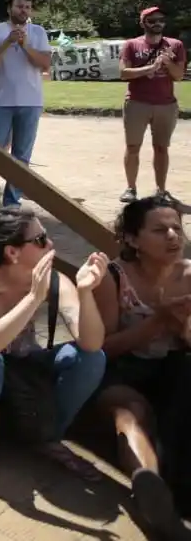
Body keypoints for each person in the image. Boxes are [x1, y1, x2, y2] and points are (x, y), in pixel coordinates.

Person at [0, 209, 108, 481]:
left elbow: (92, 343)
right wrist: (33, 298)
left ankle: (50, 437)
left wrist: (85, 292)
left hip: (21, 366)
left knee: (92, 358)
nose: (52, 244)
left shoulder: (54, 279)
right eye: (41, 239)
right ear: (12, 252)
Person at [93, 195, 191, 534]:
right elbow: (104, 348)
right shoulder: (113, 276)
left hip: (173, 367)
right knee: (129, 412)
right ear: (133, 239)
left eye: (177, 228)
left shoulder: (189, 275)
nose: (173, 237)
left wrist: (182, 328)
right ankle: (149, 485)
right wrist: (157, 321)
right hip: (122, 369)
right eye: (160, 230)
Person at [0, 0, 51, 208]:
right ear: (10, 8)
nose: (24, 11)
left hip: (30, 101)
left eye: (28, 7)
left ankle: (12, 201)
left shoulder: (38, 32)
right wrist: (6, 43)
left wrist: (24, 45)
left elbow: (45, 63)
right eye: (20, 6)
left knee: (22, 154)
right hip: (0, 101)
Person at [118, 7, 186, 204]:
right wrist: (151, 67)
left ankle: (161, 190)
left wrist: (167, 62)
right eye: (152, 20)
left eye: (161, 20)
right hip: (137, 102)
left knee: (161, 148)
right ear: (143, 23)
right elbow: (124, 73)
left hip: (166, 104)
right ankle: (131, 188)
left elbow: (179, 75)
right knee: (132, 147)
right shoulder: (132, 45)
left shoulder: (176, 45)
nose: (157, 23)